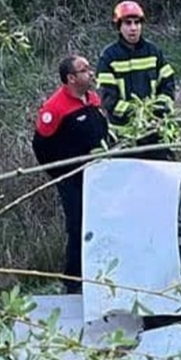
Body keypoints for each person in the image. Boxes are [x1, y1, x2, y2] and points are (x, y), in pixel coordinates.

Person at [32, 54, 110, 293]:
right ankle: (73, 281)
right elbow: (41, 146)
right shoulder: (55, 109)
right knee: (78, 226)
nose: (91, 73)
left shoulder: (92, 99)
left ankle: (100, 273)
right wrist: (60, 174)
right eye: (84, 70)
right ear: (71, 78)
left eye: (89, 68)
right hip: (72, 178)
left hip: (97, 175)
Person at [96, 0, 177, 160]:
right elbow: (108, 100)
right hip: (125, 139)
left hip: (156, 133)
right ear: (119, 26)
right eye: (127, 23)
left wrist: (157, 111)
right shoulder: (109, 57)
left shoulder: (154, 52)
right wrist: (137, 113)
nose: (133, 28)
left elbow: (168, 86)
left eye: (137, 23)